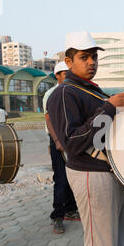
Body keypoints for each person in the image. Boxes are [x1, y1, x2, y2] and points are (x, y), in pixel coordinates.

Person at [46, 31, 124, 246]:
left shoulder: (91, 91)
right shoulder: (64, 93)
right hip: (92, 174)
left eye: (94, 57)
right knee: (102, 244)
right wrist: (110, 107)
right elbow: (71, 142)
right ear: (68, 62)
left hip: (117, 173)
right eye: (84, 57)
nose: (92, 62)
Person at [43, 61, 80, 234]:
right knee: (61, 180)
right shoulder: (50, 94)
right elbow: (49, 120)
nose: (68, 75)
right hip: (58, 141)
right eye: (64, 73)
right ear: (57, 76)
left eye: (69, 73)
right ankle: (57, 215)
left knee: (73, 176)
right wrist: (57, 141)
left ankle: (71, 209)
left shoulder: (73, 91)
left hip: (72, 139)